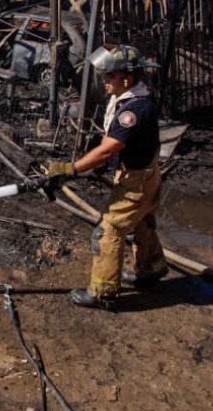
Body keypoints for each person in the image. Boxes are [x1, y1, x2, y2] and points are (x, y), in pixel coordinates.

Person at [45, 45, 169, 309]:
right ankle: (151, 269)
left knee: (107, 232)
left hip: (137, 181)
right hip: (147, 175)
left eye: (110, 75)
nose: (105, 80)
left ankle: (102, 292)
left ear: (128, 77)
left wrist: (70, 169)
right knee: (141, 223)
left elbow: (108, 149)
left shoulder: (133, 112)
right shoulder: (135, 98)